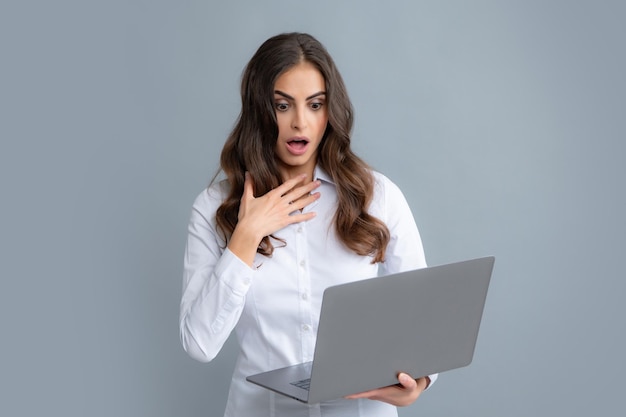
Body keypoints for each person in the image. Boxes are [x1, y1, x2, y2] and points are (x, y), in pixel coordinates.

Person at [180, 32, 437, 417]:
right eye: (283, 106)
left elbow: (426, 321)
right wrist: (246, 236)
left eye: (315, 105)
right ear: (259, 111)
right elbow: (199, 343)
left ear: (330, 111)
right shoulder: (214, 208)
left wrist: (419, 382)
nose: (300, 122)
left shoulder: (377, 196)